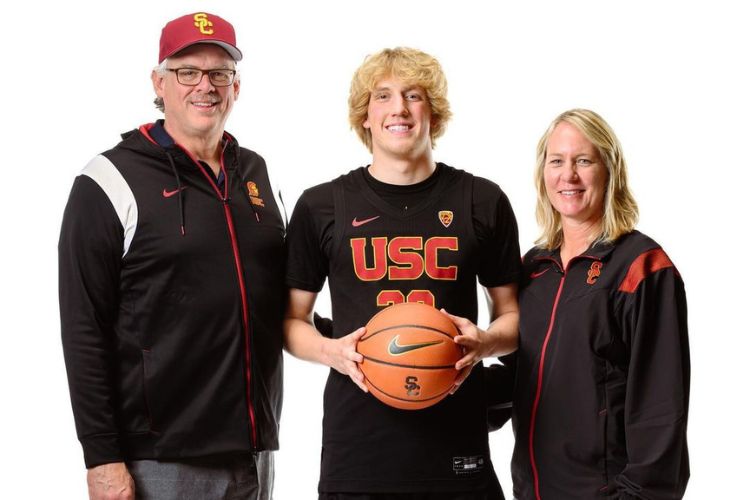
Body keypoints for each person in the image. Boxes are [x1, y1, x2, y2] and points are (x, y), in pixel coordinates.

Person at [58, 12, 285, 500]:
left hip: (254, 450)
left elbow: (273, 297)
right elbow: (83, 327)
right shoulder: (109, 179)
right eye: (188, 72)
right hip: (159, 458)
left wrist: (352, 335)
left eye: (219, 73)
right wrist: (102, 459)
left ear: (236, 86)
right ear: (159, 83)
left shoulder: (255, 173)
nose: (205, 85)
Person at [284, 47, 521, 499]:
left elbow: (515, 317)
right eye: (383, 96)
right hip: (358, 449)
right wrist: (329, 351)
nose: (399, 109)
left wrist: (486, 342)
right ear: (365, 117)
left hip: (456, 442)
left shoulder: (481, 200)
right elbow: (292, 321)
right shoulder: (321, 206)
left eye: (414, 95)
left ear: (433, 112)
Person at [510, 109, 690, 499]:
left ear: (609, 170)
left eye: (583, 161)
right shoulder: (534, 268)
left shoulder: (642, 267)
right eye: (556, 161)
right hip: (532, 491)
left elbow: (661, 407)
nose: (568, 175)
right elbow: (519, 378)